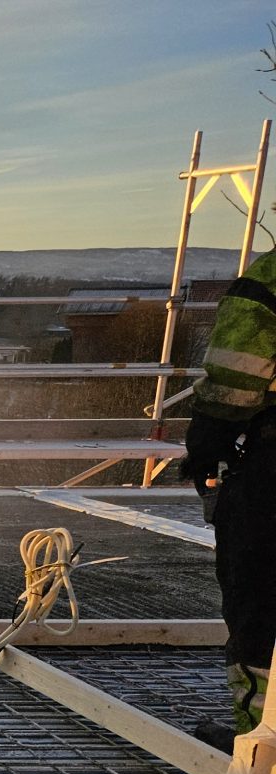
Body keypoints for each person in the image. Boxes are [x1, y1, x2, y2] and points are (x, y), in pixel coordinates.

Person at [180, 248, 276, 747]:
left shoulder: (267, 283)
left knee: (257, 592)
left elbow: (235, 384)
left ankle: (257, 743)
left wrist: (205, 447)